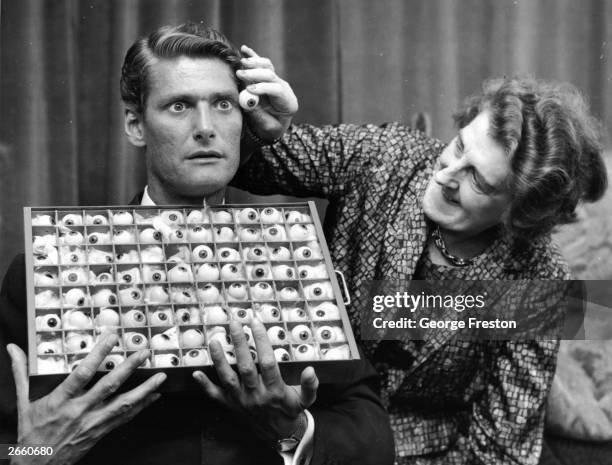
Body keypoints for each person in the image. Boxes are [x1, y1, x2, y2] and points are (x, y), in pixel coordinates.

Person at [0, 23, 394, 465]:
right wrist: (34, 454)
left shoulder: (298, 263)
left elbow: (373, 438)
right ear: (136, 124)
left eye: (223, 104)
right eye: (179, 105)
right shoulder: (43, 273)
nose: (205, 127)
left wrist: (292, 433)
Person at [232, 70, 608, 464]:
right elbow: (249, 165)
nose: (445, 175)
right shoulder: (386, 157)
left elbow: (502, 447)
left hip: (428, 454)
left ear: (518, 211)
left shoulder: (537, 275)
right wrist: (267, 127)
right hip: (308, 423)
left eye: (478, 180)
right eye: (460, 146)